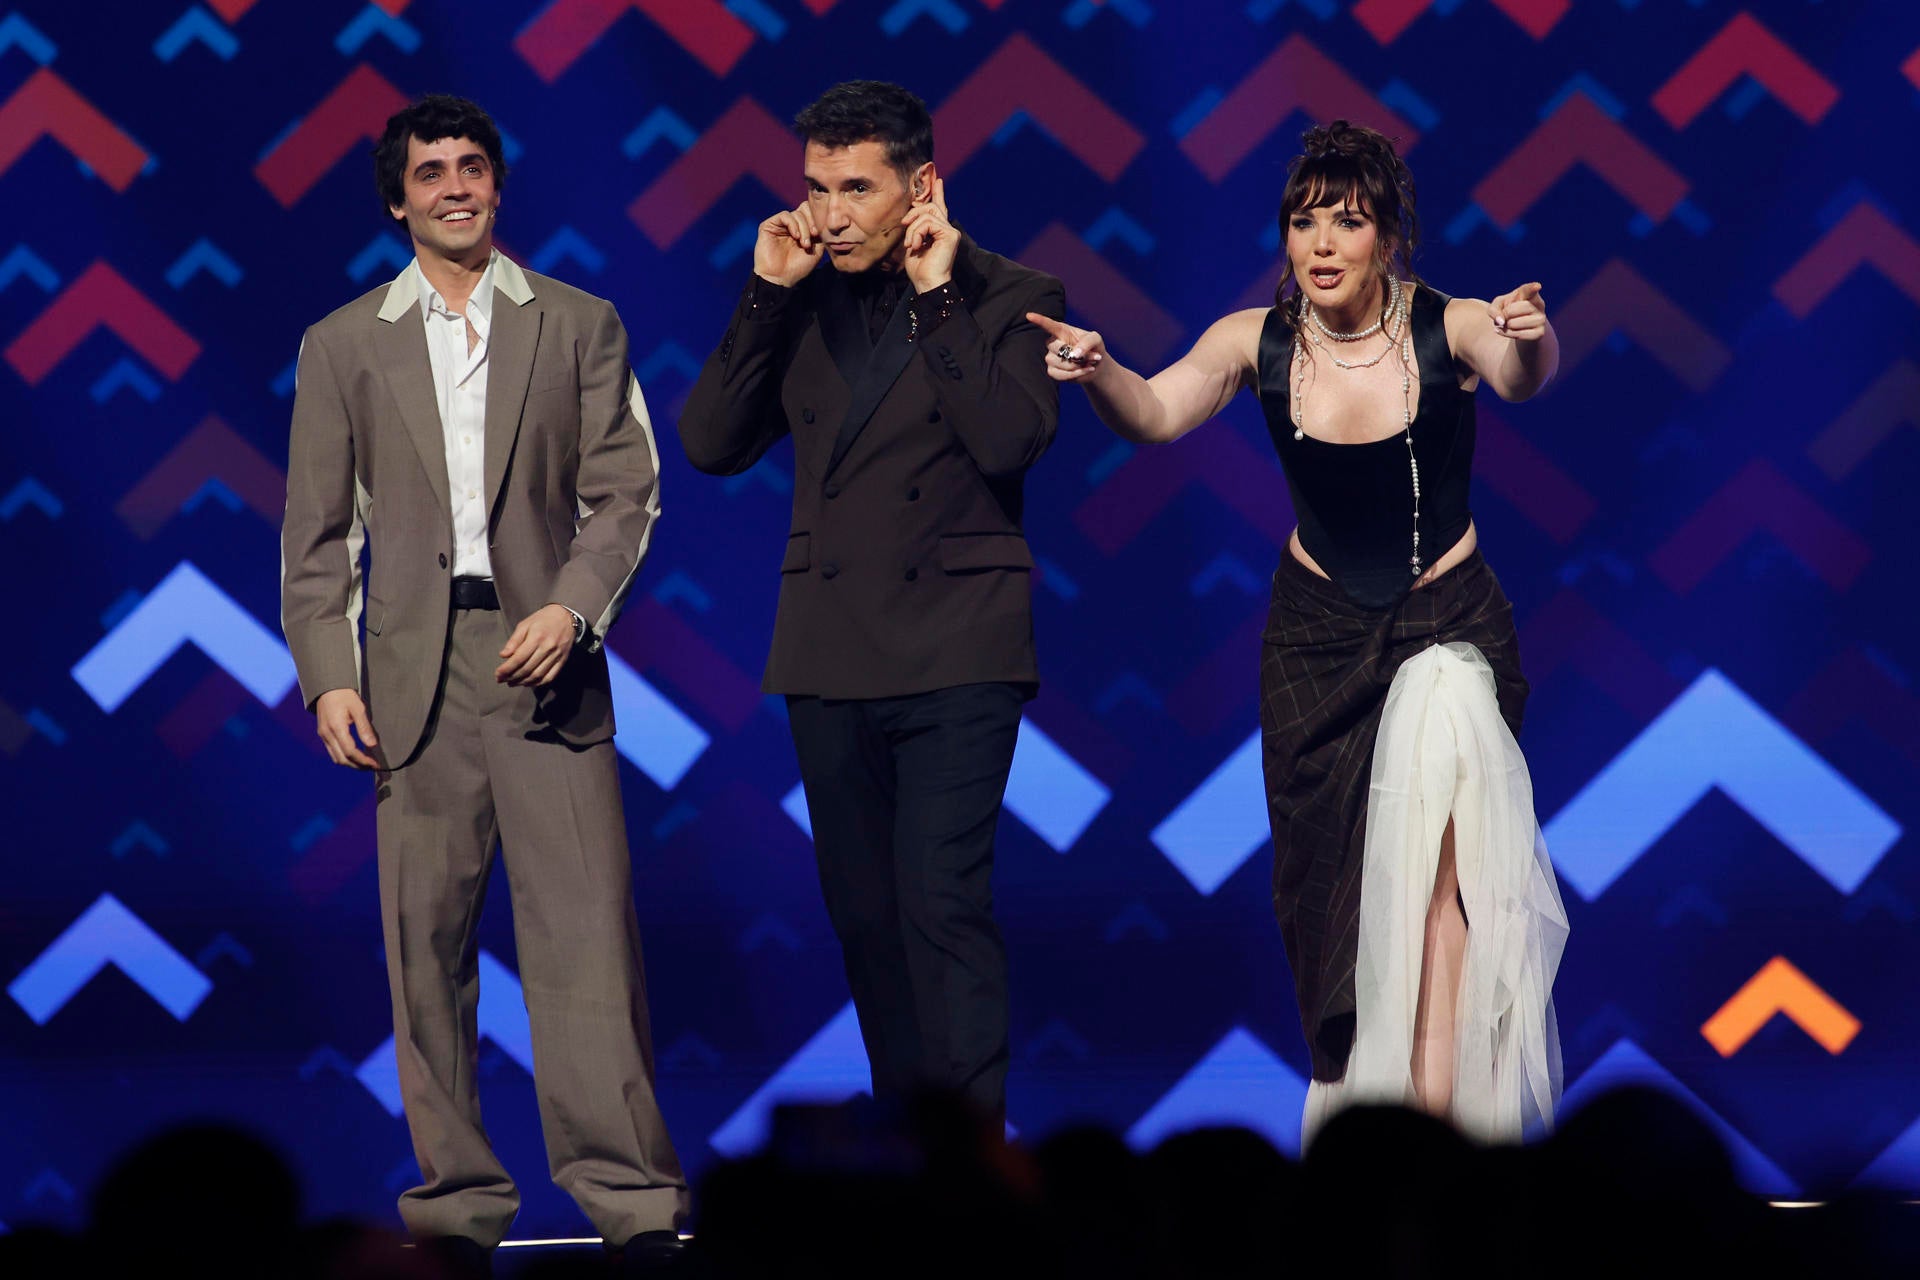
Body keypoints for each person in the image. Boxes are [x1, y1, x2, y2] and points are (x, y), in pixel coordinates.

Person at [1031, 121, 1569, 1142]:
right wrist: (1100, 370)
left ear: (1387, 239)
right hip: (1315, 643)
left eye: (1348, 222)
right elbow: (1155, 412)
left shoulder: (1448, 324)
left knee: (1437, 880)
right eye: (1305, 221)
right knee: (1330, 901)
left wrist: (1533, 335)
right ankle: (1369, 1127)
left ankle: (1436, 1132)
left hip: (1446, 632)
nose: (1322, 243)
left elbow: (1518, 374)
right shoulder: (1255, 340)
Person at [279, 94, 688, 1266]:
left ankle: (633, 1205)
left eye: (472, 167)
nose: (454, 186)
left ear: (497, 186)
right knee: (426, 950)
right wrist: (327, 675)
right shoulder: (343, 343)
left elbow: (627, 492)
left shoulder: (577, 322)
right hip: (411, 673)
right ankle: (455, 1207)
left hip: (545, 662)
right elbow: (316, 535)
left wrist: (572, 607)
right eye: (430, 172)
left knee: (586, 942)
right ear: (396, 199)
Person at [678, 80, 1065, 1124]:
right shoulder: (799, 297)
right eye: (818, 188)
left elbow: (1008, 440)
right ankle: (912, 1140)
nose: (833, 213)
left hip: (958, 649)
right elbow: (710, 442)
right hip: (830, 649)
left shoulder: (1012, 292)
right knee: (866, 918)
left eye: (857, 188)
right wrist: (764, 294)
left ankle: (971, 1152)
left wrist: (938, 298)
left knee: (942, 903)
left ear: (922, 184)